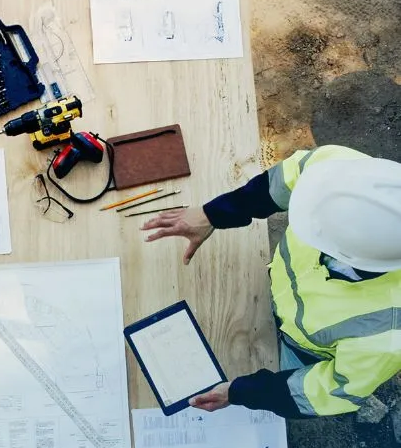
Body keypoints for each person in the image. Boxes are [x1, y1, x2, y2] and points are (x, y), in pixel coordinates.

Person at [141, 145, 401, 418]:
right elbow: (278, 184)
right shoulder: (339, 170)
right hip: (283, 290)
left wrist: (242, 392)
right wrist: (213, 214)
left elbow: (326, 392)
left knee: (288, 374)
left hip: (304, 347)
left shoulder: (386, 335)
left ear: (350, 255)